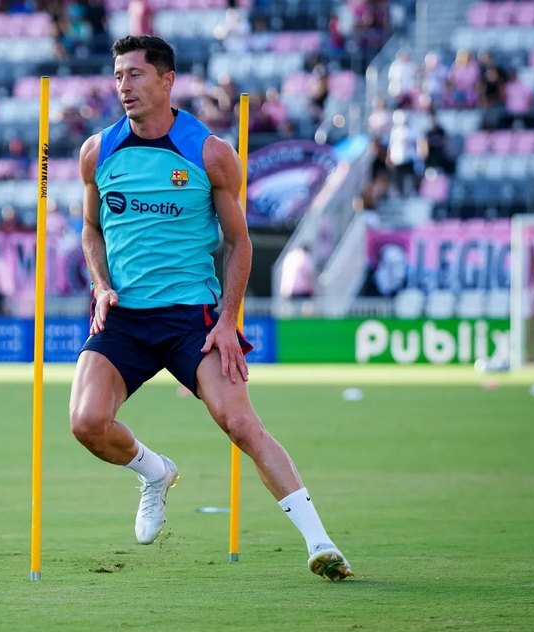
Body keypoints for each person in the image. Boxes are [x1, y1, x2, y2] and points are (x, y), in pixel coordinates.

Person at [69, 36, 353, 581]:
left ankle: (321, 543)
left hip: (191, 319)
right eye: (118, 75)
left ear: (167, 79)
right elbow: (90, 229)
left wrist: (227, 320)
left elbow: (240, 244)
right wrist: (101, 285)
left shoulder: (209, 152)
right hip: (124, 317)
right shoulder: (96, 152)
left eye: (135, 74)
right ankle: (154, 472)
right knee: (86, 423)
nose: (124, 86)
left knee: (241, 423)